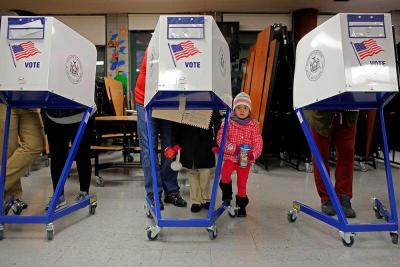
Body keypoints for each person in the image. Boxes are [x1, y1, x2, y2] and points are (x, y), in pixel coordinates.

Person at [134, 49, 187, 209]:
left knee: (169, 147)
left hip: (168, 101)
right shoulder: (155, 47)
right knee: (148, 148)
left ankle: (171, 191)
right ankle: (153, 192)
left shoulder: (181, 48)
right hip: (146, 99)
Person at [304, 110, 358, 218]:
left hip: (348, 113)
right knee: (320, 158)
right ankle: (326, 198)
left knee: (347, 155)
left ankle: (344, 196)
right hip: (320, 115)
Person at [217, 92, 263, 217]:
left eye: (245, 108)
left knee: (242, 183)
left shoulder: (253, 125)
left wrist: (253, 154)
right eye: (238, 108)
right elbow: (221, 138)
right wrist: (232, 148)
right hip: (230, 157)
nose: (242, 110)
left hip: (245, 160)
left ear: (249, 110)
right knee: (225, 174)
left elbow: (258, 141)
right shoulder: (228, 123)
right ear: (234, 109)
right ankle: (227, 193)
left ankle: (241, 205)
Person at [44, 108, 94, 209]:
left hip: (82, 114)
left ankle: (84, 191)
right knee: (56, 157)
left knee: (82, 154)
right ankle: (58, 196)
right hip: (53, 116)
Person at [0, 104, 45, 214]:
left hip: (28, 102)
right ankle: (12, 197)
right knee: (7, 151)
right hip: (4, 100)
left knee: (36, 144)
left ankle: (3, 184)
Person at [172, 112, 221, 213]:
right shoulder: (185, 99)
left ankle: (206, 198)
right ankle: (196, 201)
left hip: (205, 141)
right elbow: (176, 123)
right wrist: (175, 142)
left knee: (205, 172)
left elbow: (217, 122)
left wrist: (217, 142)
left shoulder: (209, 99)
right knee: (193, 173)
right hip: (187, 140)